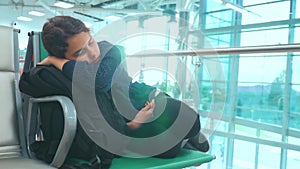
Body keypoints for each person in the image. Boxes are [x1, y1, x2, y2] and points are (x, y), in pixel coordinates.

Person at [38, 15, 209, 159]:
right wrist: (135, 123)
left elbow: (100, 81)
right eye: (79, 53)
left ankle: (188, 136)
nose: (92, 53)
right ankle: (184, 141)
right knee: (170, 151)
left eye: (90, 42)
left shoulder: (109, 50)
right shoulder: (71, 71)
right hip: (128, 123)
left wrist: (57, 61)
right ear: (66, 57)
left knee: (191, 121)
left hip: (143, 98)